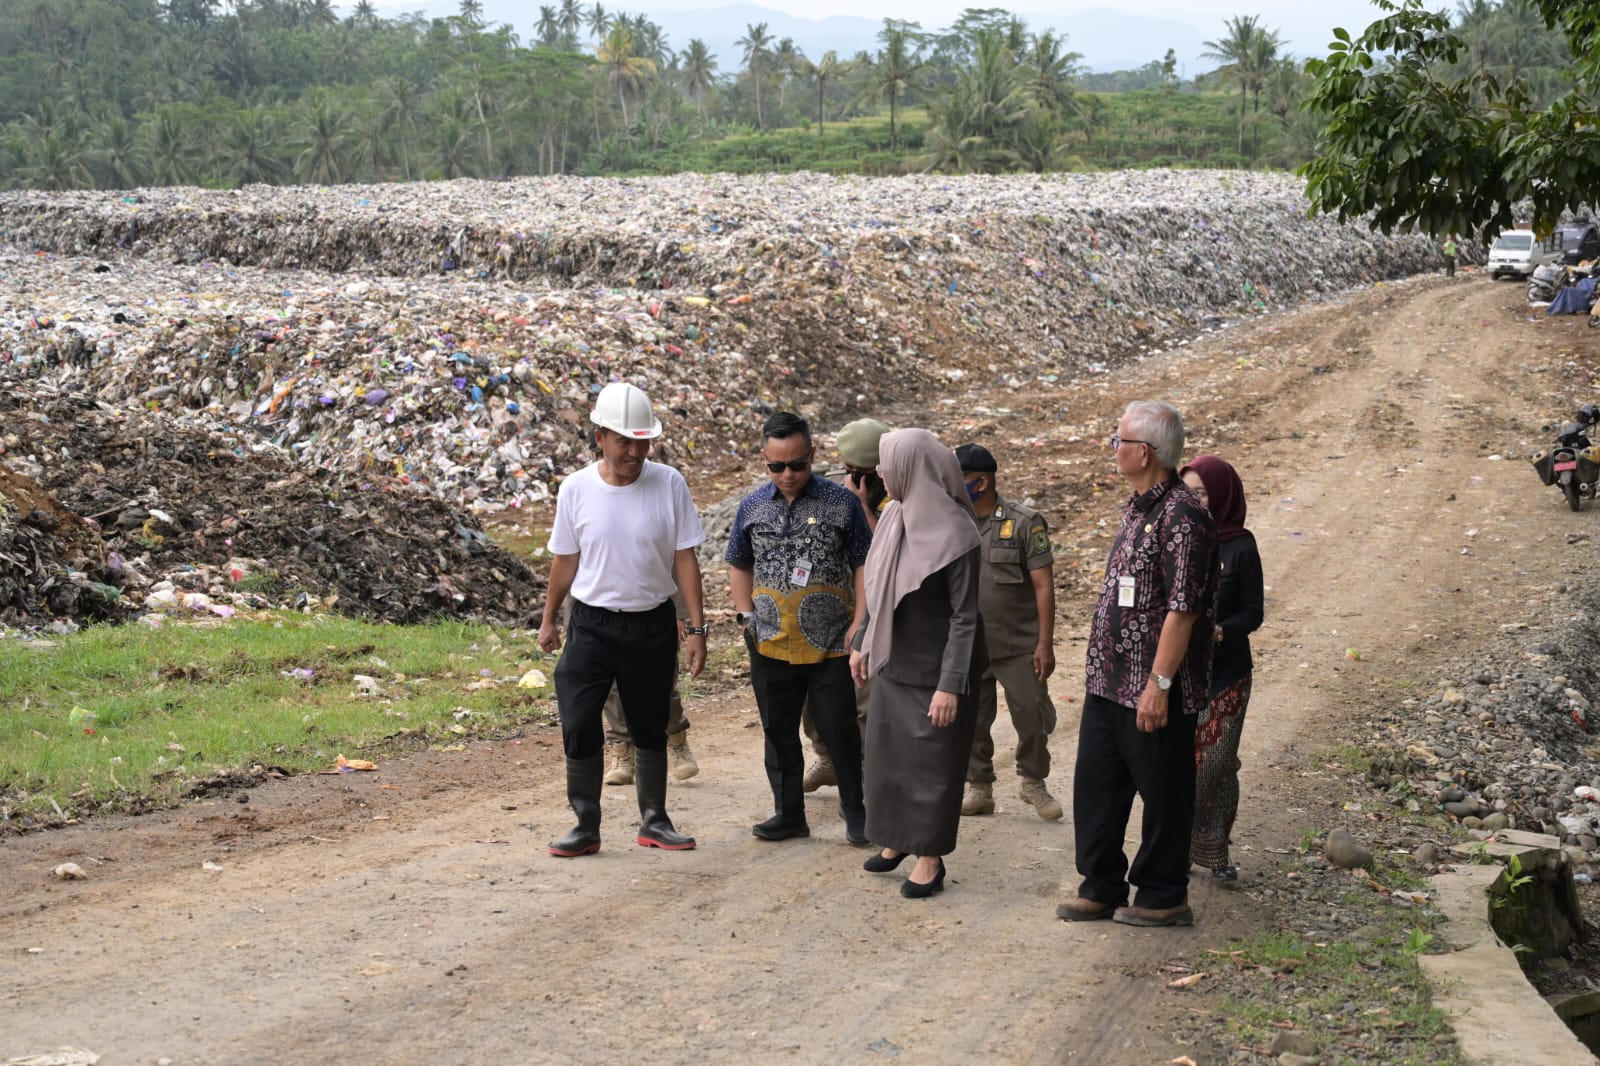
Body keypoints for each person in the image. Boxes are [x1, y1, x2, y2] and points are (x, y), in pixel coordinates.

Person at [1056, 401, 1218, 927]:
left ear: (1143, 452)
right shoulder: (1138, 507)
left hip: (1152, 686)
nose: (1113, 448)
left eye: (1118, 439)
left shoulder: (1183, 516)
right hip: (1110, 680)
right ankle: (1100, 884)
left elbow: (1183, 609)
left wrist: (1160, 684)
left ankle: (1163, 894)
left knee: (1164, 792)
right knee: (1097, 787)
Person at [538, 381, 708, 857]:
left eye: (643, 441)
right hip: (591, 624)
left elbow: (685, 559)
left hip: (651, 623)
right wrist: (549, 618)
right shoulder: (576, 488)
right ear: (600, 438)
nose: (635, 451)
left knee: (650, 722)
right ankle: (585, 824)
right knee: (577, 719)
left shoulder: (669, 483)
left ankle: (655, 819)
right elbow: (565, 561)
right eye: (624, 441)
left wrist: (696, 628)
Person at [850, 429, 987, 899]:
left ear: (913, 468)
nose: (883, 474)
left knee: (933, 766)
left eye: (889, 464)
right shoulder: (894, 517)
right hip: (894, 661)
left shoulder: (957, 534)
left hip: (938, 672)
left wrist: (950, 684)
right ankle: (897, 842)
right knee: (890, 761)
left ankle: (930, 857)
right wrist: (863, 640)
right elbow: (879, 589)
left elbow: (965, 616)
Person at [727, 412, 873, 845]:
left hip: (831, 643)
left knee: (839, 731)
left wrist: (861, 621)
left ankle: (856, 810)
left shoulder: (840, 503)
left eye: (797, 464)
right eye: (777, 466)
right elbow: (739, 562)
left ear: (812, 455)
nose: (787, 474)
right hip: (770, 642)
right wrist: (745, 617)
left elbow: (864, 562)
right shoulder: (752, 506)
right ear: (764, 460)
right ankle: (789, 813)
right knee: (778, 732)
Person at [953, 443, 1061, 821]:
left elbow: (1043, 585)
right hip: (970, 643)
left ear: (981, 482)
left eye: (960, 479)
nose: (953, 485)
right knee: (971, 720)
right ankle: (979, 786)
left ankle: (1033, 781)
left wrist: (1044, 643)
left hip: (1018, 643)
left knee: (1032, 714)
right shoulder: (953, 520)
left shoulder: (1024, 522)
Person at [1180, 455, 1264, 883]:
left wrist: (1219, 632)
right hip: (1180, 674)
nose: (1195, 500)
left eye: (1202, 492)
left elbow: (1253, 613)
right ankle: (1177, 847)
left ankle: (1213, 846)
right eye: (1188, 492)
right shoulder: (1180, 537)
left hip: (1228, 672)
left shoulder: (1241, 547)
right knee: (1182, 764)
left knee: (1216, 761)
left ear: (1222, 495)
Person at [802, 417, 891, 793]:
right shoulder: (831, 498)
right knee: (815, 695)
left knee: (865, 699)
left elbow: (883, 552)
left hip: (876, 612)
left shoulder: (894, 503)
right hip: (833, 609)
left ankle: (870, 772)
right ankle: (826, 758)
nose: (854, 480)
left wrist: (861, 508)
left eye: (862, 474)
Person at [601, 586, 699, 786]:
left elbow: (679, 561)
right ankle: (622, 751)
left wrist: (679, 613)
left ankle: (677, 738)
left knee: (661, 681)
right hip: (602, 608)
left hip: (655, 606)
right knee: (612, 684)